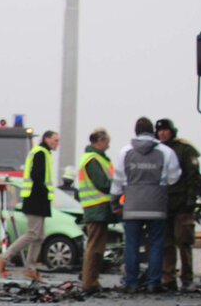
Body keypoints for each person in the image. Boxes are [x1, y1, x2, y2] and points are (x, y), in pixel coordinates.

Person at [111, 117, 181, 294]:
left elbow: (118, 180)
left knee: (132, 244)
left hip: (132, 205)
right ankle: (153, 282)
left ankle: (131, 282)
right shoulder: (166, 152)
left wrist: (114, 202)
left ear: (136, 131)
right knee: (156, 245)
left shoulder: (125, 152)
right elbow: (174, 177)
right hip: (156, 205)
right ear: (153, 132)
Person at [0, 130, 59, 282]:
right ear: (47, 139)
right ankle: (4, 258)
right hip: (36, 198)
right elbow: (37, 176)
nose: (57, 143)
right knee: (32, 234)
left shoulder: (43, 152)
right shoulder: (40, 153)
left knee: (39, 236)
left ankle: (30, 269)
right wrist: (43, 191)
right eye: (55, 140)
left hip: (39, 199)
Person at [155, 119, 201, 291]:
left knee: (184, 242)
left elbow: (193, 175)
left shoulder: (184, 149)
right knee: (166, 243)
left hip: (182, 203)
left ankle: (187, 278)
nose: (162, 134)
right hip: (164, 203)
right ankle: (168, 278)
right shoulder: (157, 150)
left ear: (172, 131)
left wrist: (191, 198)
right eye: (160, 131)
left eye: (165, 130)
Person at [77, 129, 115, 295]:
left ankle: (91, 281)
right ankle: (89, 282)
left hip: (96, 207)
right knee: (95, 248)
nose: (109, 145)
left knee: (96, 247)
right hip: (96, 207)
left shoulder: (94, 158)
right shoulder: (93, 160)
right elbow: (103, 184)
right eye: (107, 141)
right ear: (99, 141)